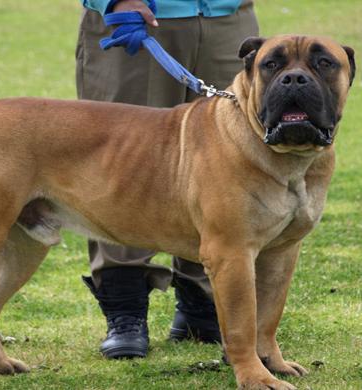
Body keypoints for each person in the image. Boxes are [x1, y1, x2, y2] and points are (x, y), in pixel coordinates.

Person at [76, 0, 259, 359]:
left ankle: (200, 304)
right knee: (127, 165)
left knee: (224, 164)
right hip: (135, 16)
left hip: (228, 19)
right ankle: (125, 309)